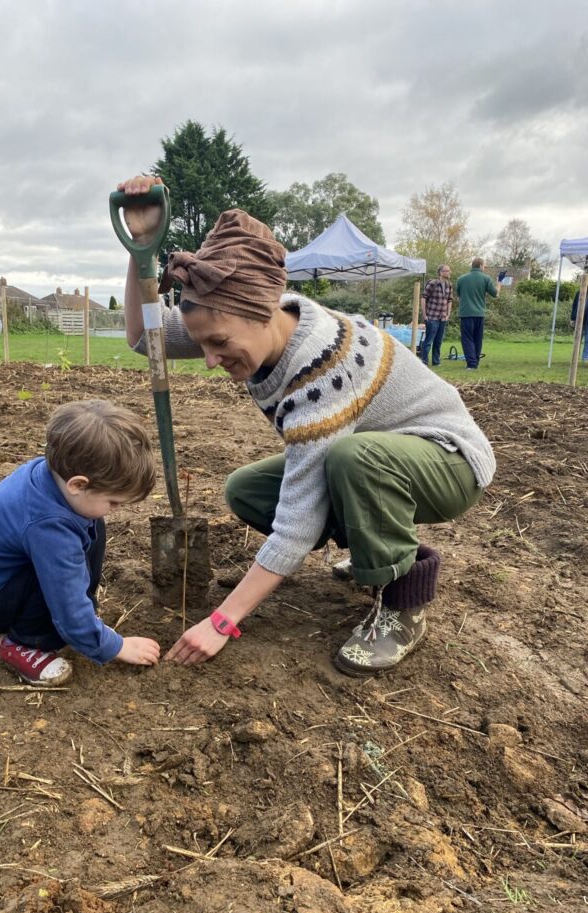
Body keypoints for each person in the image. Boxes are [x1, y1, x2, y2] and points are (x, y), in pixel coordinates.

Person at [118, 175, 496, 676]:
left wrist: (223, 620)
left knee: (351, 459)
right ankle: (371, 549)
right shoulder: (243, 321)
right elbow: (147, 339)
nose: (209, 360)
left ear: (262, 313)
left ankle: (404, 603)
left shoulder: (322, 367)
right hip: (382, 455)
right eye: (202, 344)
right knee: (248, 490)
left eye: (219, 344)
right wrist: (141, 249)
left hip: (449, 460)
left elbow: (296, 524)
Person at [0, 399, 161, 684]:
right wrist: (115, 646)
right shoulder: (48, 526)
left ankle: (77, 624)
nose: (117, 509)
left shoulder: (56, 481)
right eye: (114, 501)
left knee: (92, 521)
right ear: (78, 484)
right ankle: (23, 643)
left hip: (9, 578)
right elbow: (65, 593)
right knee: (63, 573)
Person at [455, 258, 502, 369]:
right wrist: (500, 281)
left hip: (466, 313)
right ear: (480, 265)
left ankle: (471, 364)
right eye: (484, 266)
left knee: (467, 338)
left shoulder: (461, 279)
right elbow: (496, 294)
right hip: (480, 313)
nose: (484, 268)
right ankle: (475, 362)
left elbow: (459, 294)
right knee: (477, 338)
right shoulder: (486, 278)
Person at [420, 265, 453, 367]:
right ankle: (424, 362)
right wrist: (425, 315)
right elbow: (423, 298)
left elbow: (449, 300)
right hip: (432, 316)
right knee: (429, 341)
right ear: (441, 272)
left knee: (438, 341)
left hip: (442, 317)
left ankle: (436, 362)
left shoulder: (449, 285)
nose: (449, 272)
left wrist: (448, 314)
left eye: (449, 271)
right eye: (447, 271)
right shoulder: (432, 283)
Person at [569, 290, 588, 362]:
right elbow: (574, 306)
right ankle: (575, 357)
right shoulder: (580, 292)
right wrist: (572, 318)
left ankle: (585, 357)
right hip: (579, 319)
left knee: (587, 340)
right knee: (578, 338)